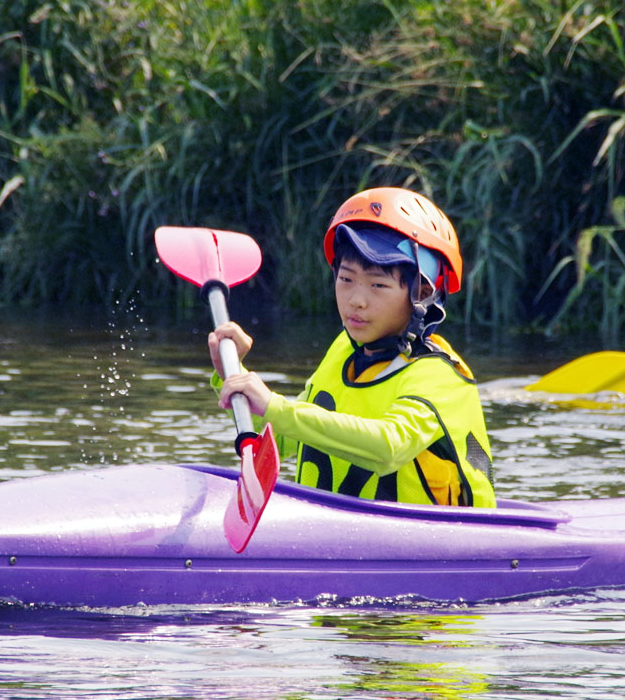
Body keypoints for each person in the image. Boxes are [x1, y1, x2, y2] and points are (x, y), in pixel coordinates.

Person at [208, 186, 495, 507]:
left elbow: (388, 447)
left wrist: (275, 405)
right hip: (341, 538)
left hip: (442, 546)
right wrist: (232, 374)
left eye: (378, 285)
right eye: (346, 279)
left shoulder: (440, 376)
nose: (356, 301)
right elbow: (282, 439)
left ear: (422, 293)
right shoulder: (345, 350)